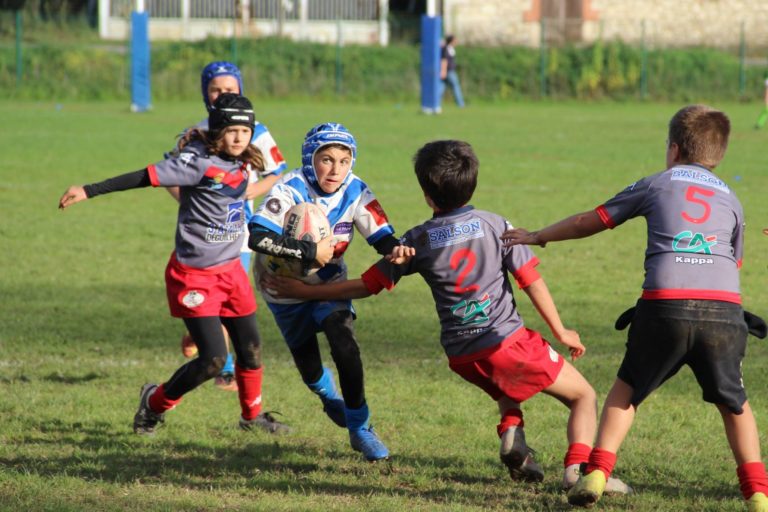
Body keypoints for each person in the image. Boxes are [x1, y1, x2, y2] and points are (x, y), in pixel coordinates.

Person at [262, 139, 631, 492]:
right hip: (507, 342)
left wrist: (307, 292)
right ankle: (575, 472)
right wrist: (561, 330)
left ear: (427, 195)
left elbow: (367, 285)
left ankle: (511, 431)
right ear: (472, 185)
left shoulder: (416, 240)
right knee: (582, 396)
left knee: (504, 380)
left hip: (463, 355)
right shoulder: (495, 225)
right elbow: (530, 280)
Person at [501, 105, 768, 511]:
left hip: (664, 309)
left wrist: (539, 236)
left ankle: (597, 472)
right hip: (723, 314)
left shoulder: (656, 183)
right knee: (735, 405)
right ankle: (757, 494)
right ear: (719, 154)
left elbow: (590, 220)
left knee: (625, 392)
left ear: (674, 149)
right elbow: (735, 262)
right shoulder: (732, 199)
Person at [58, 93, 290, 436]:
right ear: (218, 130)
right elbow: (144, 176)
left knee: (251, 348)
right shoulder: (196, 162)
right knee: (213, 360)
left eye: (245, 131)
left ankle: (251, 417)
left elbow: (260, 182)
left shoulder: (243, 159)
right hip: (194, 277)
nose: (239, 138)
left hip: (230, 271)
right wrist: (89, 190)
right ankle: (152, 404)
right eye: (232, 130)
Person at [247, 122, 402, 462]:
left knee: (345, 343)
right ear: (310, 158)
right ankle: (327, 395)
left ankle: (360, 427)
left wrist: (399, 249)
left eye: (344, 161)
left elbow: (384, 239)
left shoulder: (356, 190)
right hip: (282, 288)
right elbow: (257, 237)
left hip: (330, 284)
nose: (336, 170)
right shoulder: (290, 187)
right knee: (310, 368)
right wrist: (308, 252)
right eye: (327, 159)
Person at [170, 61, 288, 391]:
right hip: (202, 234)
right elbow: (170, 175)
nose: (221, 94)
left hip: (239, 230)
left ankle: (220, 360)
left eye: (229, 89)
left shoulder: (256, 131)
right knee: (215, 296)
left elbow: (277, 171)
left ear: (241, 90)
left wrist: (252, 190)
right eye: (215, 89)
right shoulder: (198, 133)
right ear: (205, 93)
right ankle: (215, 352)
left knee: (230, 296)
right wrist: (191, 202)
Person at [439, 35, 465, 108]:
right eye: (455, 40)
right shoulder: (446, 49)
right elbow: (444, 60)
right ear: (451, 41)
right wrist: (443, 71)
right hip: (449, 71)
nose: (456, 42)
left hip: (448, 71)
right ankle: (460, 103)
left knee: (442, 87)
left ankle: (435, 101)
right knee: (456, 86)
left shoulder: (449, 48)